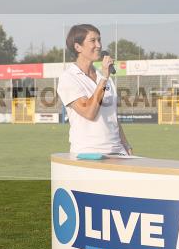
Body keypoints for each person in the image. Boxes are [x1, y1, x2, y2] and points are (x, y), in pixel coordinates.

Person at [56, 24, 131, 155]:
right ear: (77, 47)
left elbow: (113, 117)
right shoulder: (68, 78)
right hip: (89, 153)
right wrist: (104, 78)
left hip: (118, 151)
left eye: (99, 40)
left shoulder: (104, 76)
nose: (99, 45)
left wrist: (126, 145)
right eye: (93, 41)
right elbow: (89, 112)